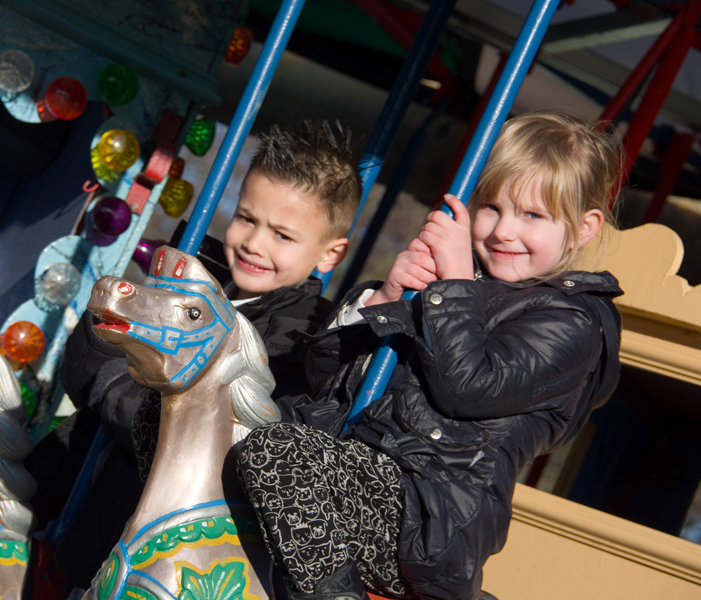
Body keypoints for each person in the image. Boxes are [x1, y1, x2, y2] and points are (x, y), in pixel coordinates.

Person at [236, 110, 625, 600]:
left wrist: (454, 286)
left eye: (532, 215)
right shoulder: (452, 288)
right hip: (351, 470)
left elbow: (470, 388)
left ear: (585, 227)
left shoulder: (574, 322)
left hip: (428, 513)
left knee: (277, 451)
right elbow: (325, 379)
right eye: (490, 207)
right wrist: (385, 299)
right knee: (207, 421)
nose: (504, 230)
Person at [25, 119, 363, 589]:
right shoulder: (186, 277)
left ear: (330, 254)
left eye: (282, 236)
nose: (254, 243)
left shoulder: (299, 343)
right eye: (247, 217)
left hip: (146, 552)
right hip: (71, 509)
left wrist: (111, 383)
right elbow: (80, 367)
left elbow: (200, 436)